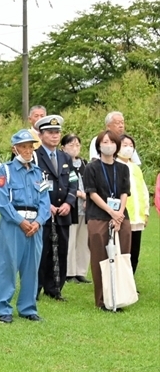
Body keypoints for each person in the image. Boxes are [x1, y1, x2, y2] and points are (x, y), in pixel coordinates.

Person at [0, 129, 51, 323]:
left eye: (30, 147)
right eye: (23, 147)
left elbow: (45, 202)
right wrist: (21, 222)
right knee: (7, 266)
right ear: (14, 149)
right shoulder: (5, 170)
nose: (27, 151)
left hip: (35, 225)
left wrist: (38, 222)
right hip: (13, 225)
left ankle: (28, 307)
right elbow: (2, 202)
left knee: (31, 268)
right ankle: (3, 308)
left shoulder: (39, 173)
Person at [83, 130, 131, 311]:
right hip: (99, 215)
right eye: (104, 141)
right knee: (100, 258)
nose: (108, 144)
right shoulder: (91, 168)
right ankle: (102, 299)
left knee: (122, 255)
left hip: (120, 216)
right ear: (99, 145)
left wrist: (119, 214)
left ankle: (120, 295)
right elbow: (92, 193)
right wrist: (110, 211)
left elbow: (125, 192)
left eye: (111, 141)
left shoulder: (123, 168)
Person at [34, 115, 77, 301]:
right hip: (43, 213)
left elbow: (74, 182)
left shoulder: (65, 156)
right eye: (50, 132)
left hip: (63, 212)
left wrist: (69, 202)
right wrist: (46, 204)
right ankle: (35, 288)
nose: (54, 136)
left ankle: (55, 289)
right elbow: (33, 183)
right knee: (41, 252)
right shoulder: (35, 155)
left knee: (61, 250)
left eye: (57, 132)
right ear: (41, 134)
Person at [61, 134, 91, 284]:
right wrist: (80, 194)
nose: (74, 148)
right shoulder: (63, 163)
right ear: (63, 147)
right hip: (71, 206)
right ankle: (69, 272)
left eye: (77, 145)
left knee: (83, 241)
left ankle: (81, 271)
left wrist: (88, 198)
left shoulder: (85, 164)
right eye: (71, 145)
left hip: (85, 208)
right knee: (70, 239)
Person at [117, 134, 149, 275]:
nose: (128, 148)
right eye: (125, 145)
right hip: (122, 216)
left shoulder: (135, 168)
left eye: (131, 145)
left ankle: (131, 281)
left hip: (137, 217)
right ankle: (120, 281)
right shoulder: (114, 166)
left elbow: (143, 191)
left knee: (134, 253)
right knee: (122, 251)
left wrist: (146, 212)